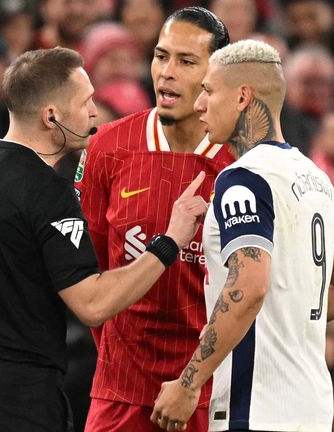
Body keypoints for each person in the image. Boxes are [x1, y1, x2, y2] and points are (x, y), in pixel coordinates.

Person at [0, 46, 209, 432]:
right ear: (52, 116)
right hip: (17, 403)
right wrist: (169, 241)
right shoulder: (48, 191)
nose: (95, 113)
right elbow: (93, 303)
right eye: (86, 103)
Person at [150, 39, 334, 431]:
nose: (199, 104)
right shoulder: (316, 177)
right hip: (313, 409)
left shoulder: (242, 180)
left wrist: (189, 382)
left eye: (209, 91)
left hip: (256, 410)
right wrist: (279, 323)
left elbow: (249, 287)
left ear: (242, 97)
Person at [76, 7, 233, 432]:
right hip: (120, 390)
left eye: (185, 62)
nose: (166, 72)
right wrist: (117, 357)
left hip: (210, 396)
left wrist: (193, 380)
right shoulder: (108, 147)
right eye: (161, 57)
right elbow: (88, 270)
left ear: (215, 75)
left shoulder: (243, 164)